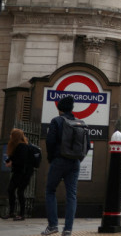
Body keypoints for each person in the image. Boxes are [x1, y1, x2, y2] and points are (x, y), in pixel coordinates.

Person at [43, 95, 90, 236]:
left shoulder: (57, 121)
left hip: (59, 160)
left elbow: (50, 142)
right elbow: (87, 146)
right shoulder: (80, 123)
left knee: (50, 191)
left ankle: (53, 225)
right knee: (72, 195)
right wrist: (78, 159)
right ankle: (68, 229)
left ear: (59, 109)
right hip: (75, 162)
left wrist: (52, 158)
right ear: (72, 109)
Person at [3, 128, 34, 220]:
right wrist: (9, 160)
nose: (10, 136)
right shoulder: (18, 146)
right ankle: (12, 212)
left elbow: (22, 160)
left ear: (15, 136)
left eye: (12, 134)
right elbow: (13, 156)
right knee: (11, 190)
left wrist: (12, 163)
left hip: (23, 173)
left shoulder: (23, 146)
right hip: (19, 172)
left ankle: (21, 214)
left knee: (19, 191)